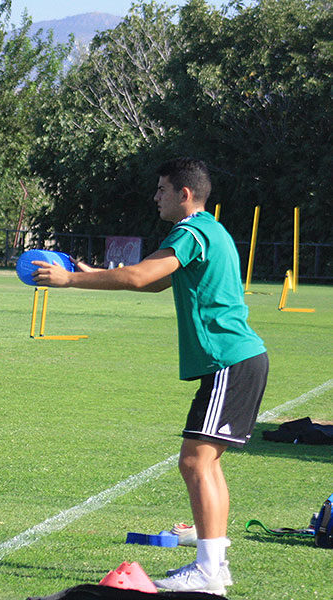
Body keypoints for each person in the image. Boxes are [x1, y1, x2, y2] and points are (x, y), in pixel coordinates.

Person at [33, 158, 268, 595]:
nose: (155, 196)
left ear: (185, 194)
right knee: (206, 464)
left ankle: (209, 571)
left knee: (195, 461)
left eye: (162, 189)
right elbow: (155, 282)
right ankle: (214, 566)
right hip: (238, 361)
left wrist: (67, 281)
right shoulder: (209, 231)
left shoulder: (192, 231)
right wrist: (94, 275)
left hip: (229, 361)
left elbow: (140, 275)